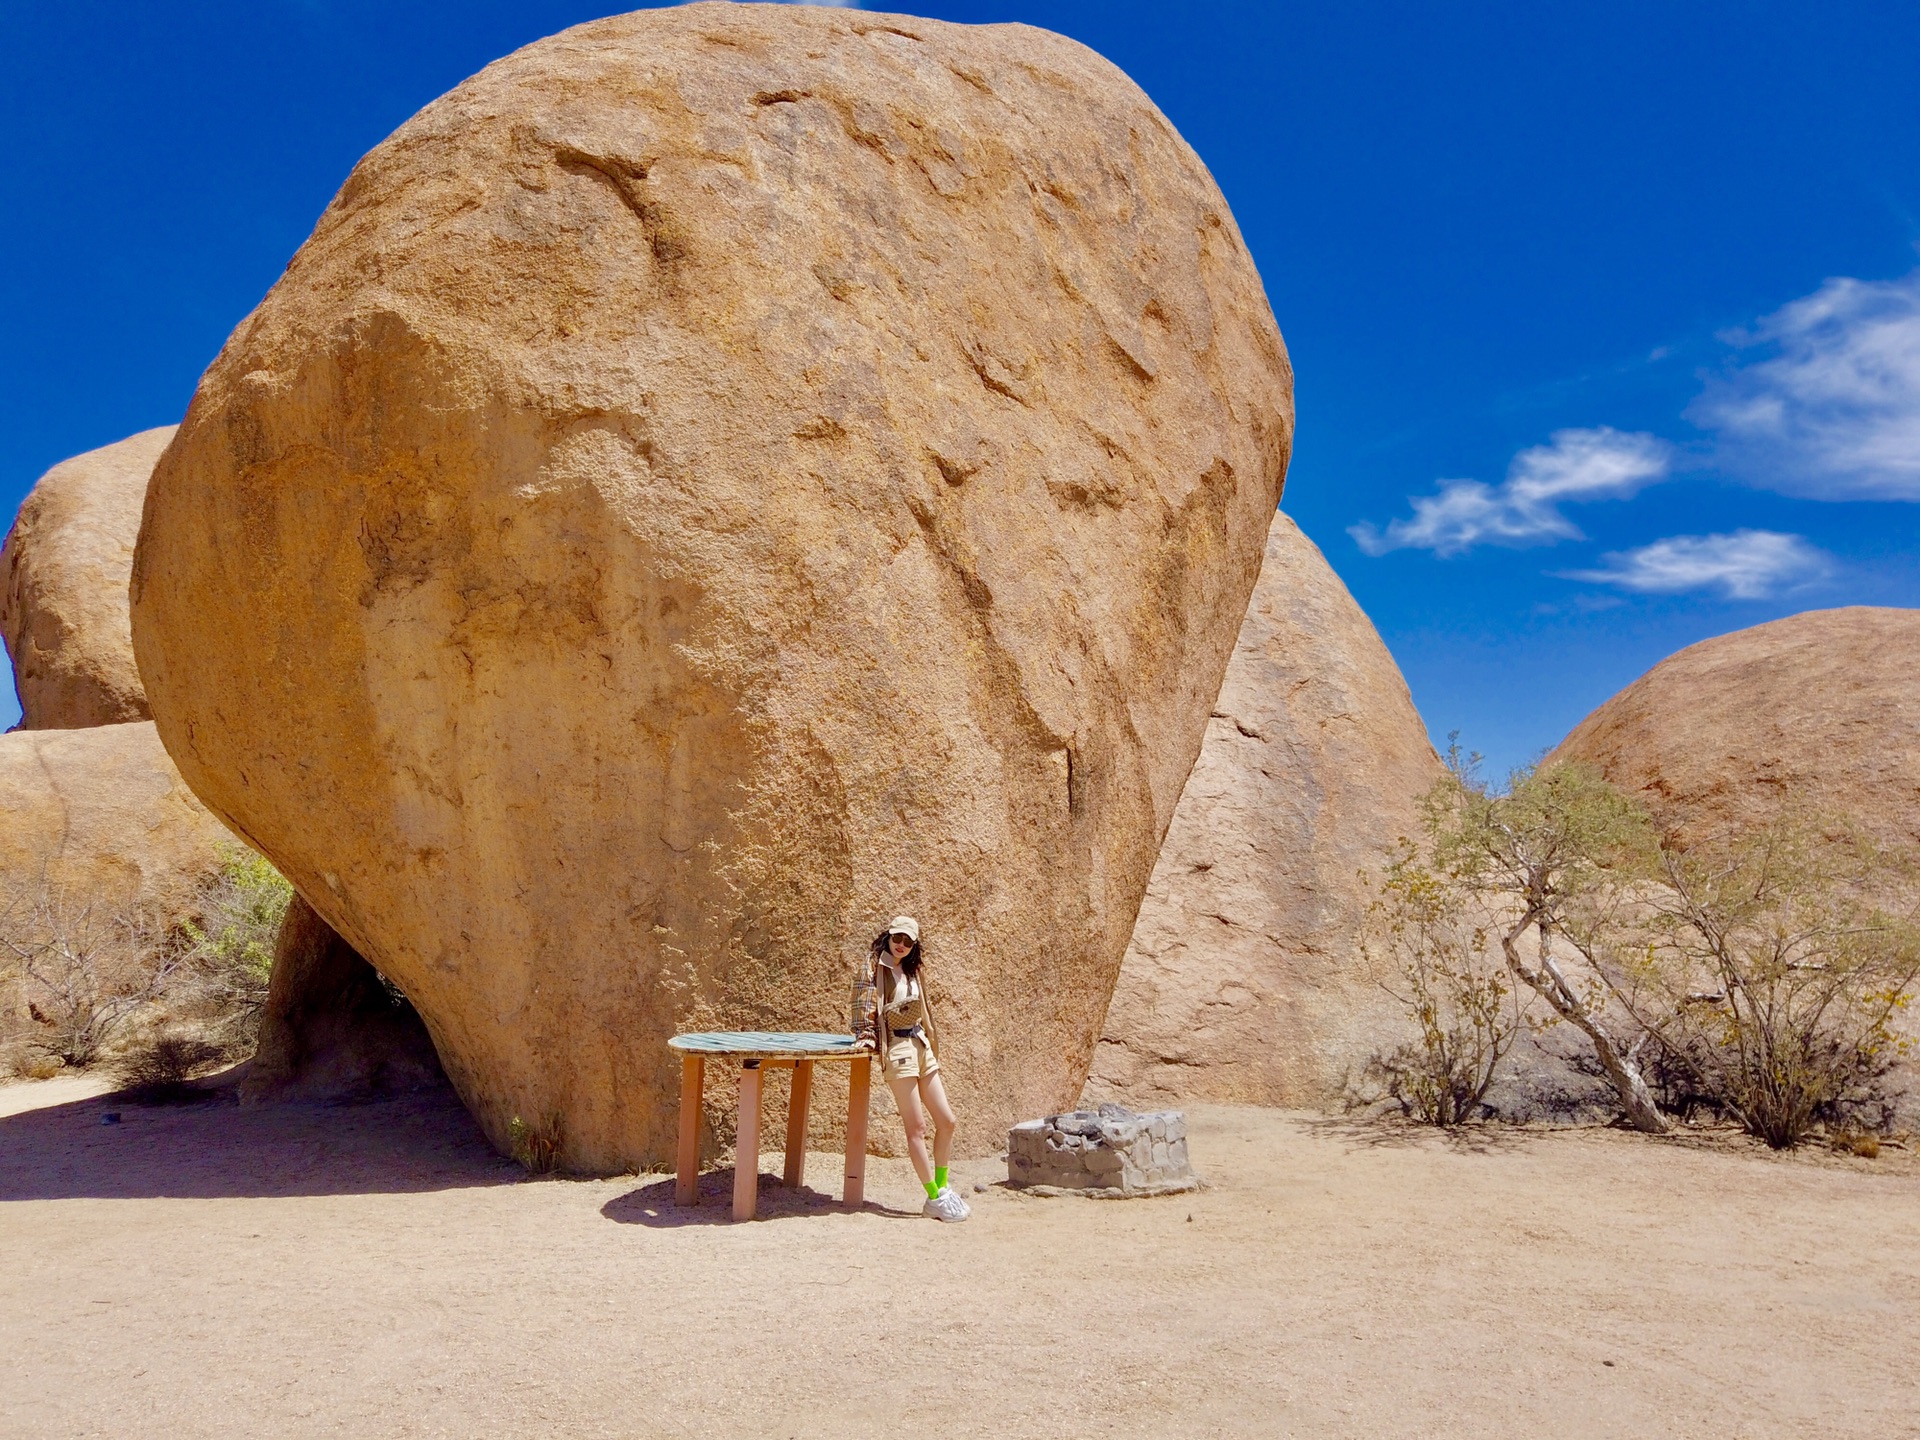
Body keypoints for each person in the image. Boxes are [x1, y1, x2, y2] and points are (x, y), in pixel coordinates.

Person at [858, 915, 970, 1222]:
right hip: (898, 1049)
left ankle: (943, 1189)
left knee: (947, 1121)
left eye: (908, 941)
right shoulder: (874, 967)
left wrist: (932, 1042)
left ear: (914, 944)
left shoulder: (913, 970)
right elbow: (863, 1008)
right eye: (897, 938)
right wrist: (866, 1038)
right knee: (916, 1128)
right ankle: (934, 1196)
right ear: (888, 936)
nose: (901, 945)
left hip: (920, 1044)